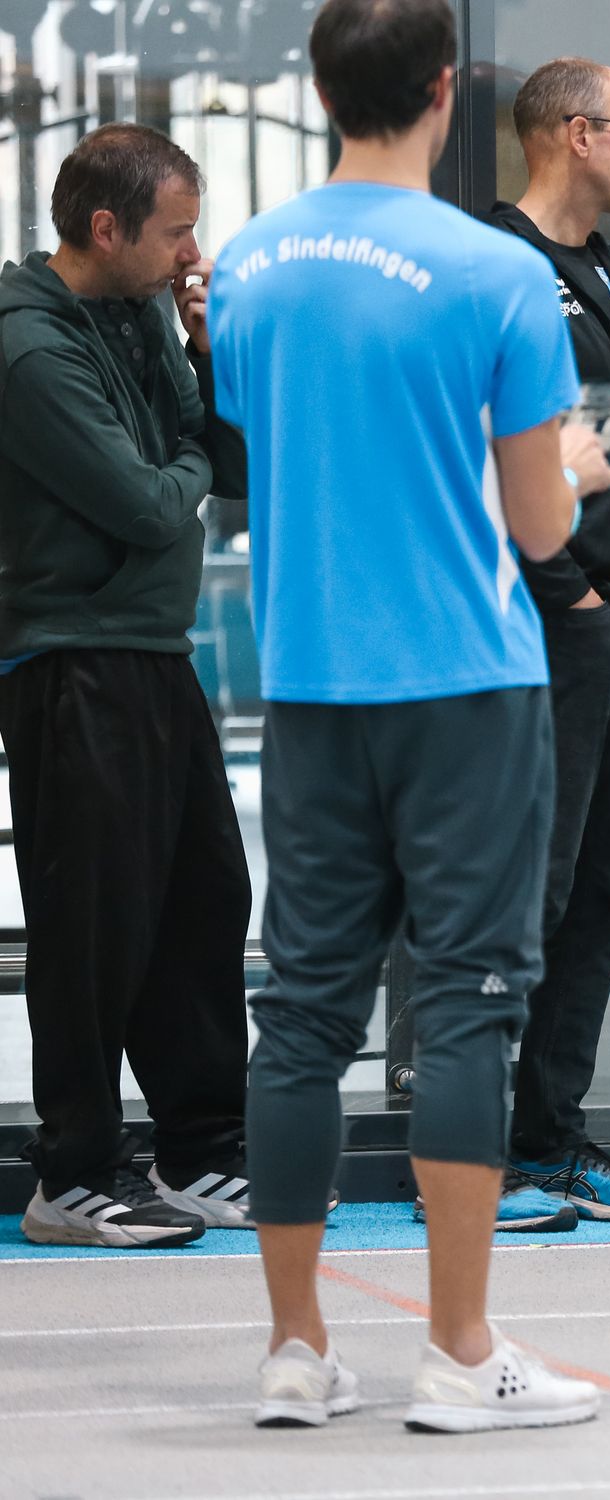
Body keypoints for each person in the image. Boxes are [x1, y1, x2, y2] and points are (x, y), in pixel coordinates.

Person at [210, 0, 610, 1431]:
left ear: (323, 90)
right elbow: (537, 521)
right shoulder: (495, 272)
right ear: (446, 89)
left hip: (311, 681)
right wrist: (571, 463)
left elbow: (271, 444)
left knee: (301, 1013)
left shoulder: (250, 263)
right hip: (464, 683)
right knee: (467, 1007)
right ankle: (458, 1351)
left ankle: (295, 1348)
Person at [0, 125, 254, 1248]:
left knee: (204, 903)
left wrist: (205, 352)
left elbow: (225, 465)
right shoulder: (26, 346)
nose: (193, 253)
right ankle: (72, 1175)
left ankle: (201, 1152)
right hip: (70, 656)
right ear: (105, 229)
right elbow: (150, 504)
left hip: (155, 648)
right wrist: (184, 466)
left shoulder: (145, 310)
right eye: (176, 232)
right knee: (92, 926)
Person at [483, 56, 610, 1229]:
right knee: (533, 894)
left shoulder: (606, 268)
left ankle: (548, 1142)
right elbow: (487, 458)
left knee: (606, 889)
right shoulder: (499, 267)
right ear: (576, 133)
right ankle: (477, 1159)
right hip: (564, 624)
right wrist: (573, 599)